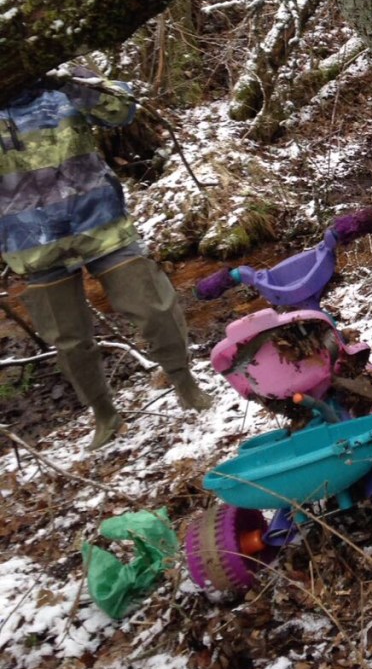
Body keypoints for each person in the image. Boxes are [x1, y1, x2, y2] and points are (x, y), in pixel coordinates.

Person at [0, 65, 214, 450]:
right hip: (31, 241)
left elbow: (122, 109)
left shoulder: (60, 76)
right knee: (68, 339)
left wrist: (68, 81)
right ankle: (104, 414)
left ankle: (186, 384)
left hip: (100, 222)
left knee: (153, 307)